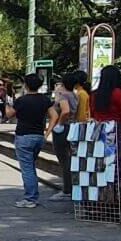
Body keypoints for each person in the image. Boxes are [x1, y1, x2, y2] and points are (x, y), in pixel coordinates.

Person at [6, 73, 54, 208]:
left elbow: (9, 115)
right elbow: (54, 116)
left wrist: (7, 105)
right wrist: (47, 132)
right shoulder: (45, 100)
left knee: (27, 169)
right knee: (31, 166)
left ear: (26, 85)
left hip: (24, 136)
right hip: (38, 136)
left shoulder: (22, 100)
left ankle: (30, 198)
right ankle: (32, 196)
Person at [46, 74, 79, 202]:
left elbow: (65, 111)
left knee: (64, 159)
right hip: (71, 127)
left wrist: (59, 124)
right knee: (68, 158)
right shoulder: (75, 95)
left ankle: (67, 190)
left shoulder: (64, 96)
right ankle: (69, 188)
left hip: (63, 129)